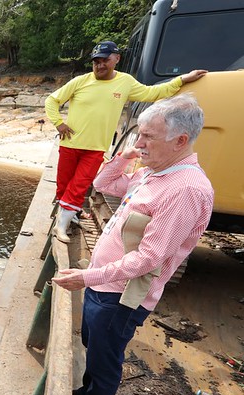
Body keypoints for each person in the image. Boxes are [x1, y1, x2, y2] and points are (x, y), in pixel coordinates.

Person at [53, 94, 214, 395]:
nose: (139, 143)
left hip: (123, 295)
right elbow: (103, 185)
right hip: (104, 283)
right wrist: (124, 156)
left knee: (105, 357)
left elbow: (149, 258)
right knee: (94, 347)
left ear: (180, 141)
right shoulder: (153, 173)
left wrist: (86, 276)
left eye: (147, 137)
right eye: (138, 134)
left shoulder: (185, 189)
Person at [44, 40, 207, 243]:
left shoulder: (125, 82)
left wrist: (181, 80)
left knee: (79, 185)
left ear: (116, 59)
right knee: (64, 184)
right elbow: (52, 100)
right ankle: (70, 214)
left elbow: (152, 93)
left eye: (105, 60)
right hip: (70, 144)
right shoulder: (81, 81)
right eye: (96, 61)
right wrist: (59, 123)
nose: (99, 65)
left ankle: (62, 226)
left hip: (95, 147)